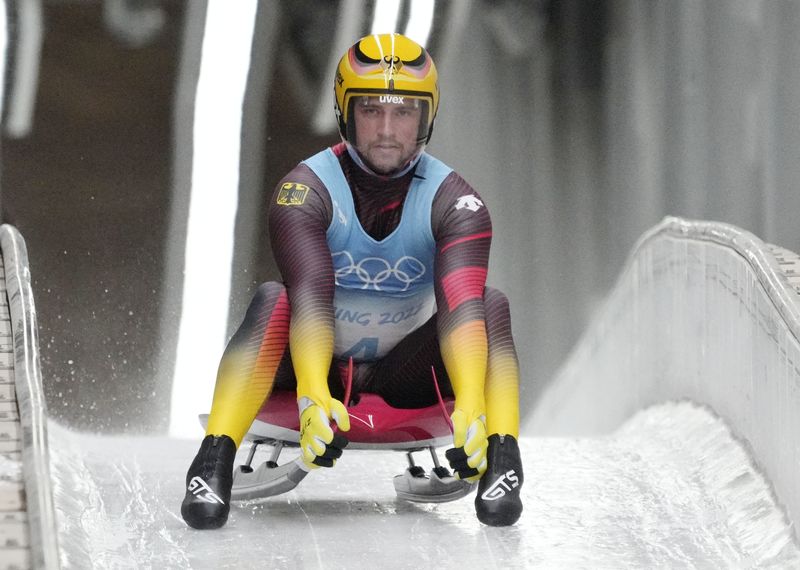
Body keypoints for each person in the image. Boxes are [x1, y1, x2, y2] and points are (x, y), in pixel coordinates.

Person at [181, 33, 524, 530]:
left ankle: (504, 459)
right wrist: (311, 395)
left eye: (403, 112)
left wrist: (471, 401)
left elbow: (462, 305)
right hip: (314, 366)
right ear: (346, 113)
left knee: (491, 304)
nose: (386, 130)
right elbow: (310, 295)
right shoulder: (305, 190)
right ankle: (212, 460)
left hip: (401, 372)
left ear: (426, 118)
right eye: (371, 110)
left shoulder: (457, 204)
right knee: (275, 299)